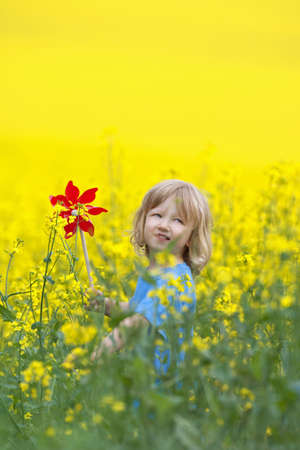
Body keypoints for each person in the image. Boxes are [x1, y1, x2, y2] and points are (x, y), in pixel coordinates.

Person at [86, 179, 213, 382]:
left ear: (191, 237)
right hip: (143, 380)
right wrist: (106, 306)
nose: (164, 225)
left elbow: (139, 322)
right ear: (143, 221)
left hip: (161, 388)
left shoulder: (174, 281)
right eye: (157, 215)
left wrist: (99, 354)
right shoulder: (155, 272)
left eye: (178, 221)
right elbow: (137, 308)